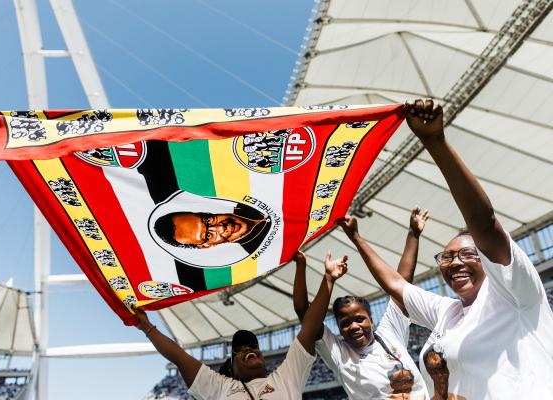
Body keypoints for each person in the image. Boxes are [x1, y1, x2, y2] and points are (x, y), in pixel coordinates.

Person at [341, 99, 553, 399]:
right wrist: (356, 238)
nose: (454, 263)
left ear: (487, 260)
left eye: (467, 254)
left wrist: (434, 142)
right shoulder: (448, 312)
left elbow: (484, 221)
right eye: (447, 257)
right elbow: (396, 285)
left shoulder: (515, 292)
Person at [133, 250, 348, 399]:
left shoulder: (286, 377)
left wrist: (326, 278)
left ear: (265, 360)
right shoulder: (219, 387)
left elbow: (309, 325)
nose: (249, 350)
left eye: (253, 347)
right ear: (232, 370)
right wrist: (147, 328)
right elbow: (179, 358)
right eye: (240, 350)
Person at [293, 207, 431, 399]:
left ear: (371, 319)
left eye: (359, 319)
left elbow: (401, 284)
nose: (354, 326)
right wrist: (321, 276)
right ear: (339, 329)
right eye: (345, 323)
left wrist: (413, 234)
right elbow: (304, 313)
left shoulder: (390, 334)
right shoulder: (339, 355)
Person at [153, 208, 270, 252]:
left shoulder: (245, 194)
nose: (221, 228)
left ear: (206, 212)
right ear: (206, 246)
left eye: (208, 220)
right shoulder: (257, 252)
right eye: (208, 236)